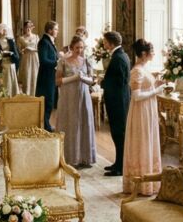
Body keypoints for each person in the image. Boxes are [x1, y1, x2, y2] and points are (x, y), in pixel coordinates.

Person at [122, 39, 164, 194]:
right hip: (141, 111)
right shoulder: (137, 71)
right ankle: (139, 181)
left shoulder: (145, 68)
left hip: (149, 108)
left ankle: (150, 182)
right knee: (142, 141)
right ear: (144, 54)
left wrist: (156, 84)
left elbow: (146, 87)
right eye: (152, 51)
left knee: (149, 140)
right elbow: (136, 95)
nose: (153, 54)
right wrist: (156, 91)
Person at [55, 36, 96, 168]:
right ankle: (70, 157)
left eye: (81, 47)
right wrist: (74, 77)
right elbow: (58, 81)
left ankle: (84, 157)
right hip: (69, 97)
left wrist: (84, 79)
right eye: (77, 47)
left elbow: (92, 80)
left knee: (84, 123)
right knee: (71, 124)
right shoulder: (63, 61)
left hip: (83, 96)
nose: (79, 50)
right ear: (71, 48)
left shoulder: (85, 61)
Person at [100, 31, 130, 176]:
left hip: (118, 102)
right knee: (117, 134)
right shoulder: (121, 55)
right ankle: (118, 163)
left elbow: (118, 82)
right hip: (119, 100)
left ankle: (120, 166)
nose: (103, 44)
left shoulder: (118, 58)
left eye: (105, 42)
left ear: (111, 43)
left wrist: (103, 82)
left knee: (119, 134)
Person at [35, 21, 59, 130]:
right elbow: (43, 60)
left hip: (50, 76)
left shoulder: (49, 41)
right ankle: (45, 125)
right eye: (56, 29)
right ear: (49, 30)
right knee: (47, 101)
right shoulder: (44, 42)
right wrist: (57, 62)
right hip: (46, 77)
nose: (57, 31)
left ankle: (46, 124)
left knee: (50, 101)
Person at [0, 23, 20, 98]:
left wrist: (11, 54)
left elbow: (16, 54)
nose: (5, 32)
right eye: (3, 30)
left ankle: (12, 97)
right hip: (3, 63)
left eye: (6, 30)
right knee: (4, 83)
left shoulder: (10, 41)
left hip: (11, 63)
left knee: (11, 82)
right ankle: (4, 96)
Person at [17, 20, 39, 95]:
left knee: (34, 74)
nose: (28, 29)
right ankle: (27, 93)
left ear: (32, 28)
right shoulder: (21, 38)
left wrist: (33, 49)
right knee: (27, 75)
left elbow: (38, 48)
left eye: (30, 27)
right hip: (26, 58)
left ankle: (35, 93)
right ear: (24, 28)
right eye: (26, 27)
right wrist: (23, 50)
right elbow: (19, 51)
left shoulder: (36, 37)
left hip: (35, 57)